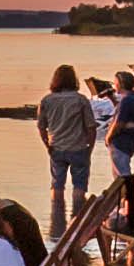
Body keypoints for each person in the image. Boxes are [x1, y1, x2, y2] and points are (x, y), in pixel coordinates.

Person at [34, 65, 101, 239]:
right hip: (79, 147)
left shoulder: (47, 101)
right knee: (79, 186)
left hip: (56, 147)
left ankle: (57, 226)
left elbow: (41, 127)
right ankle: (76, 224)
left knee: (57, 184)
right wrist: (90, 148)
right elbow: (91, 127)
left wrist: (47, 145)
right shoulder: (80, 100)